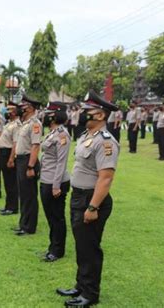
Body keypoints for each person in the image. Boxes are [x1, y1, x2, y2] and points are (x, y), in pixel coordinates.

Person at [57, 89, 119, 307]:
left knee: (90, 248)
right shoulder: (86, 136)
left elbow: (105, 179)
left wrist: (93, 208)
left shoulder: (106, 142)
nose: (81, 114)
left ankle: (90, 294)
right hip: (78, 197)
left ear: (101, 115)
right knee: (82, 246)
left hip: (92, 200)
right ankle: (80, 286)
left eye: (87, 111)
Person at [40, 102, 71, 262]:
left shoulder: (62, 135)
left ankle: (57, 250)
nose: (44, 116)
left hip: (55, 182)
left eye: (48, 113)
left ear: (54, 115)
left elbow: (61, 162)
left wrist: (56, 185)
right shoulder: (52, 133)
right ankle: (52, 246)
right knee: (50, 217)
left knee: (57, 217)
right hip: (46, 179)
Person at [13, 94, 42, 236]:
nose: (21, 108)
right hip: (21, 160)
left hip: (28, 161)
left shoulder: (35, 124)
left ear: (30, 108)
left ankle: (29, 227)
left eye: (23, 106)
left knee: (29, 195)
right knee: (23, 194)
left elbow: (35, 146)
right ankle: (23, 223)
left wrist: (31, 167)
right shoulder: (25, 123)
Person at [0, 101, 21, 215]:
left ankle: (13, 207)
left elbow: (15, 143)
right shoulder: (9, 123)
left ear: (15, 112)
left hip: (8, 153)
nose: (7, 112)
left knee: (11, 182)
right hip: (3, 152)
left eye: (10, 110)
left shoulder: (16, 125)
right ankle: (8, 205)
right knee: (6, 181)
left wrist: (11, 159)